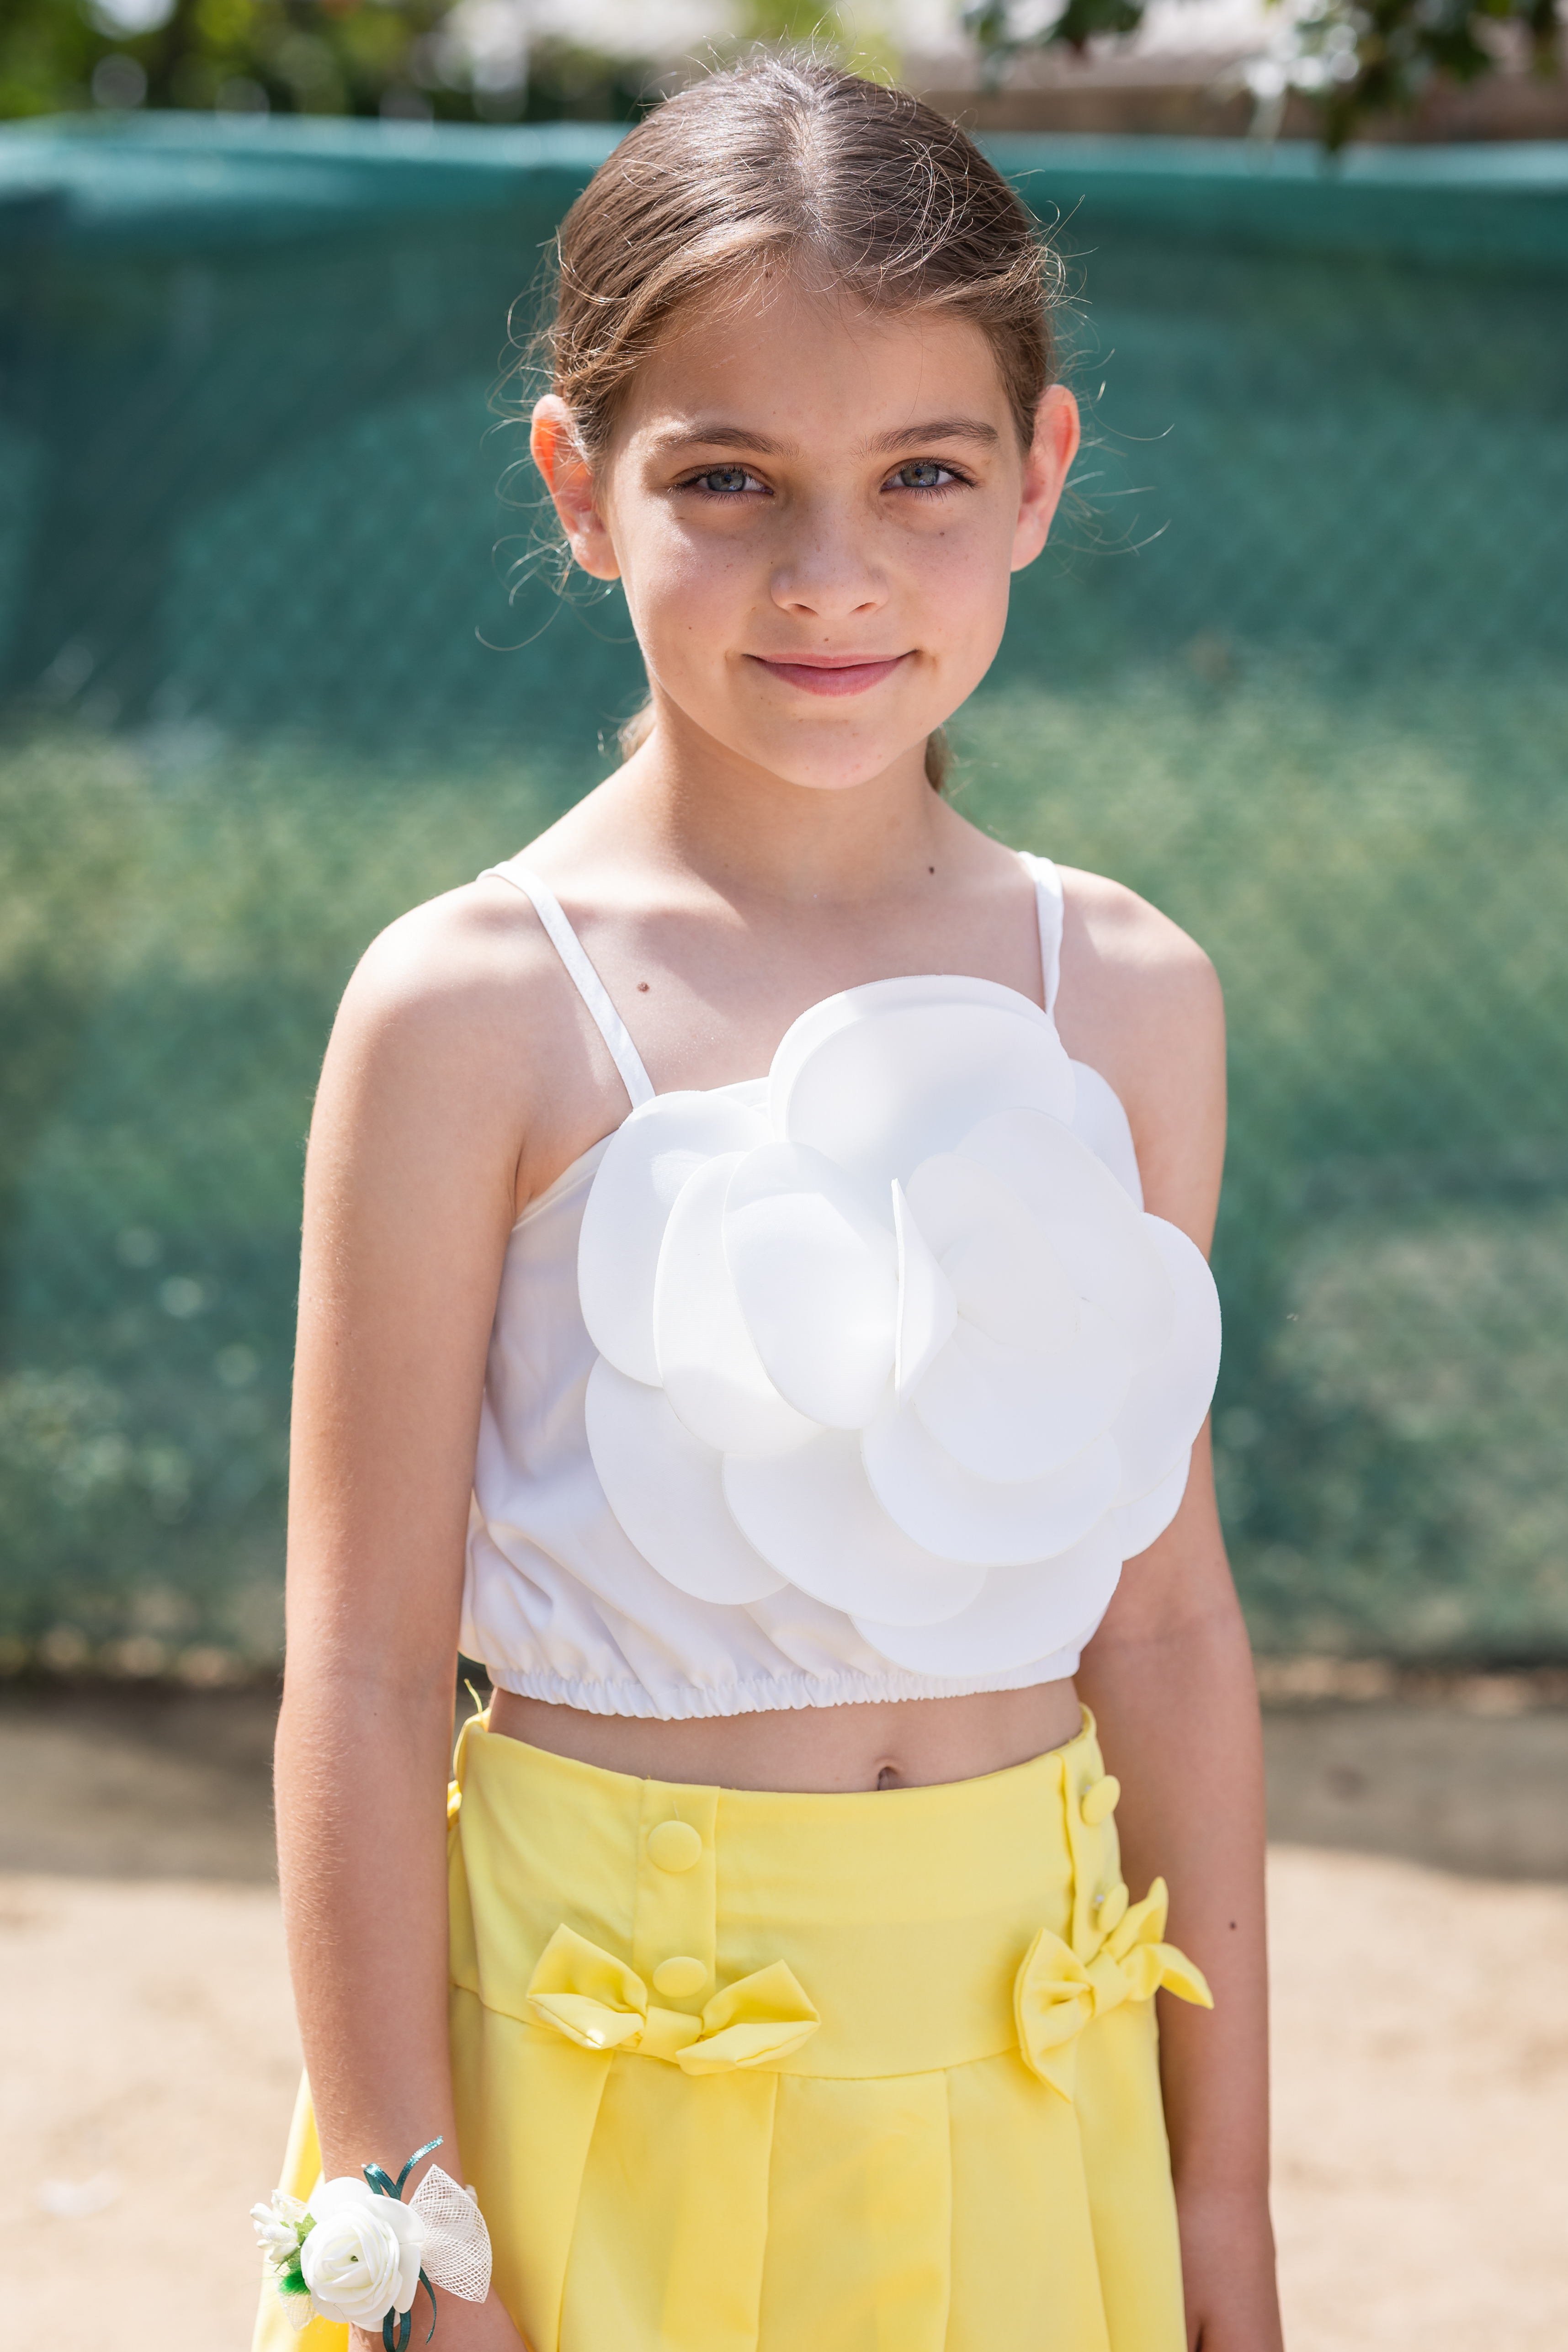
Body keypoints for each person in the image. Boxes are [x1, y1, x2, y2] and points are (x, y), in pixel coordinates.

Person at [258, 53, 1285, 2352]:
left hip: (1032, 2095)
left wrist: (1218, 2208)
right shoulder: (469, 1010)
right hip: (591, 2113)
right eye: (728, 480)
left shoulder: (1128, 994)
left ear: (1041, 474)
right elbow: (365, 1663)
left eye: (925, 473)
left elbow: (1165, 1627)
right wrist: (407, 2230)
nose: (832, 576)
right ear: (581, 485)